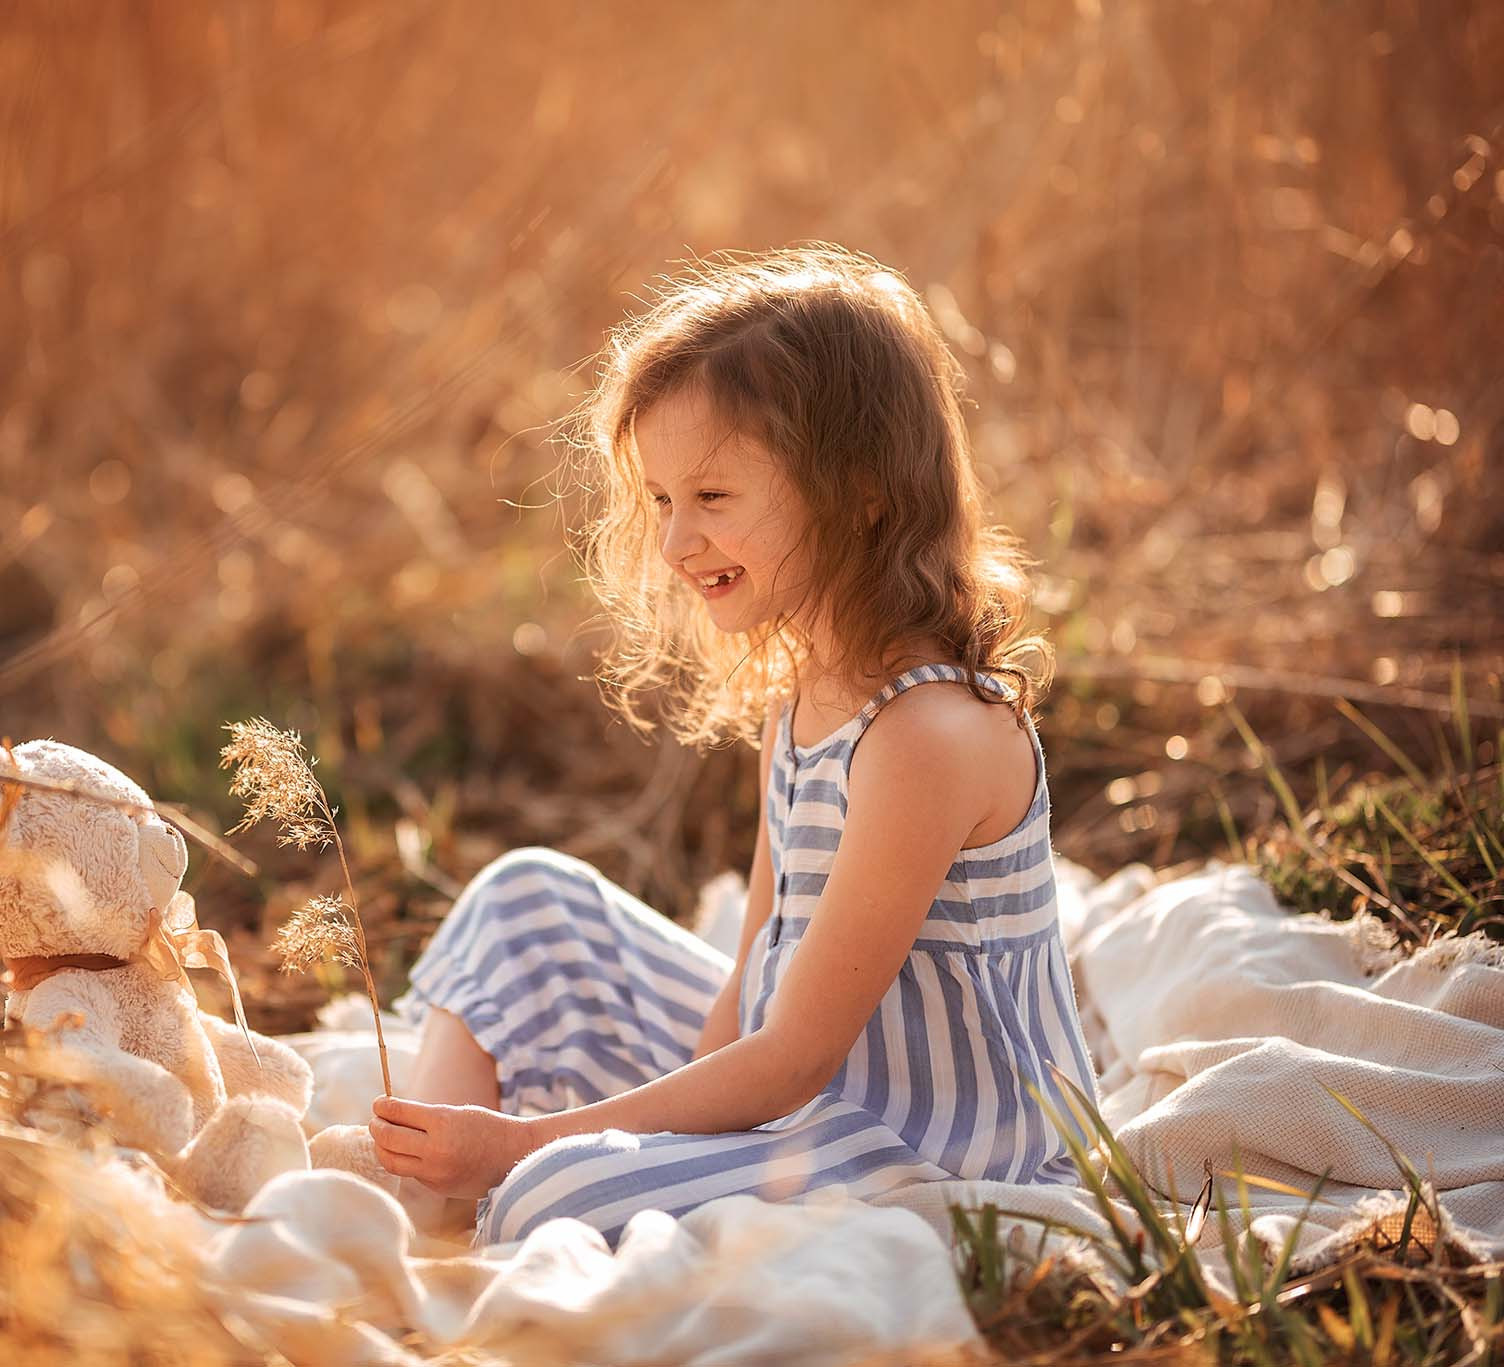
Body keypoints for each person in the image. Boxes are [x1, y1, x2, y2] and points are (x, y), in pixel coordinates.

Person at [367, 243, 1101, 1248]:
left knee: (551, 1188)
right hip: (811, 1096)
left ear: (860, 491)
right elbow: (753, 973)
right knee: (522, 899)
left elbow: (792, 1055)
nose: (675, 543)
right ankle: (420, 1198)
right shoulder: (803, 700)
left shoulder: (926, 736)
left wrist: (531, 1146)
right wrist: (649, 1128)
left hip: (938, 1143)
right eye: (662, 500)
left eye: (711, 498)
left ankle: (474, 1186)